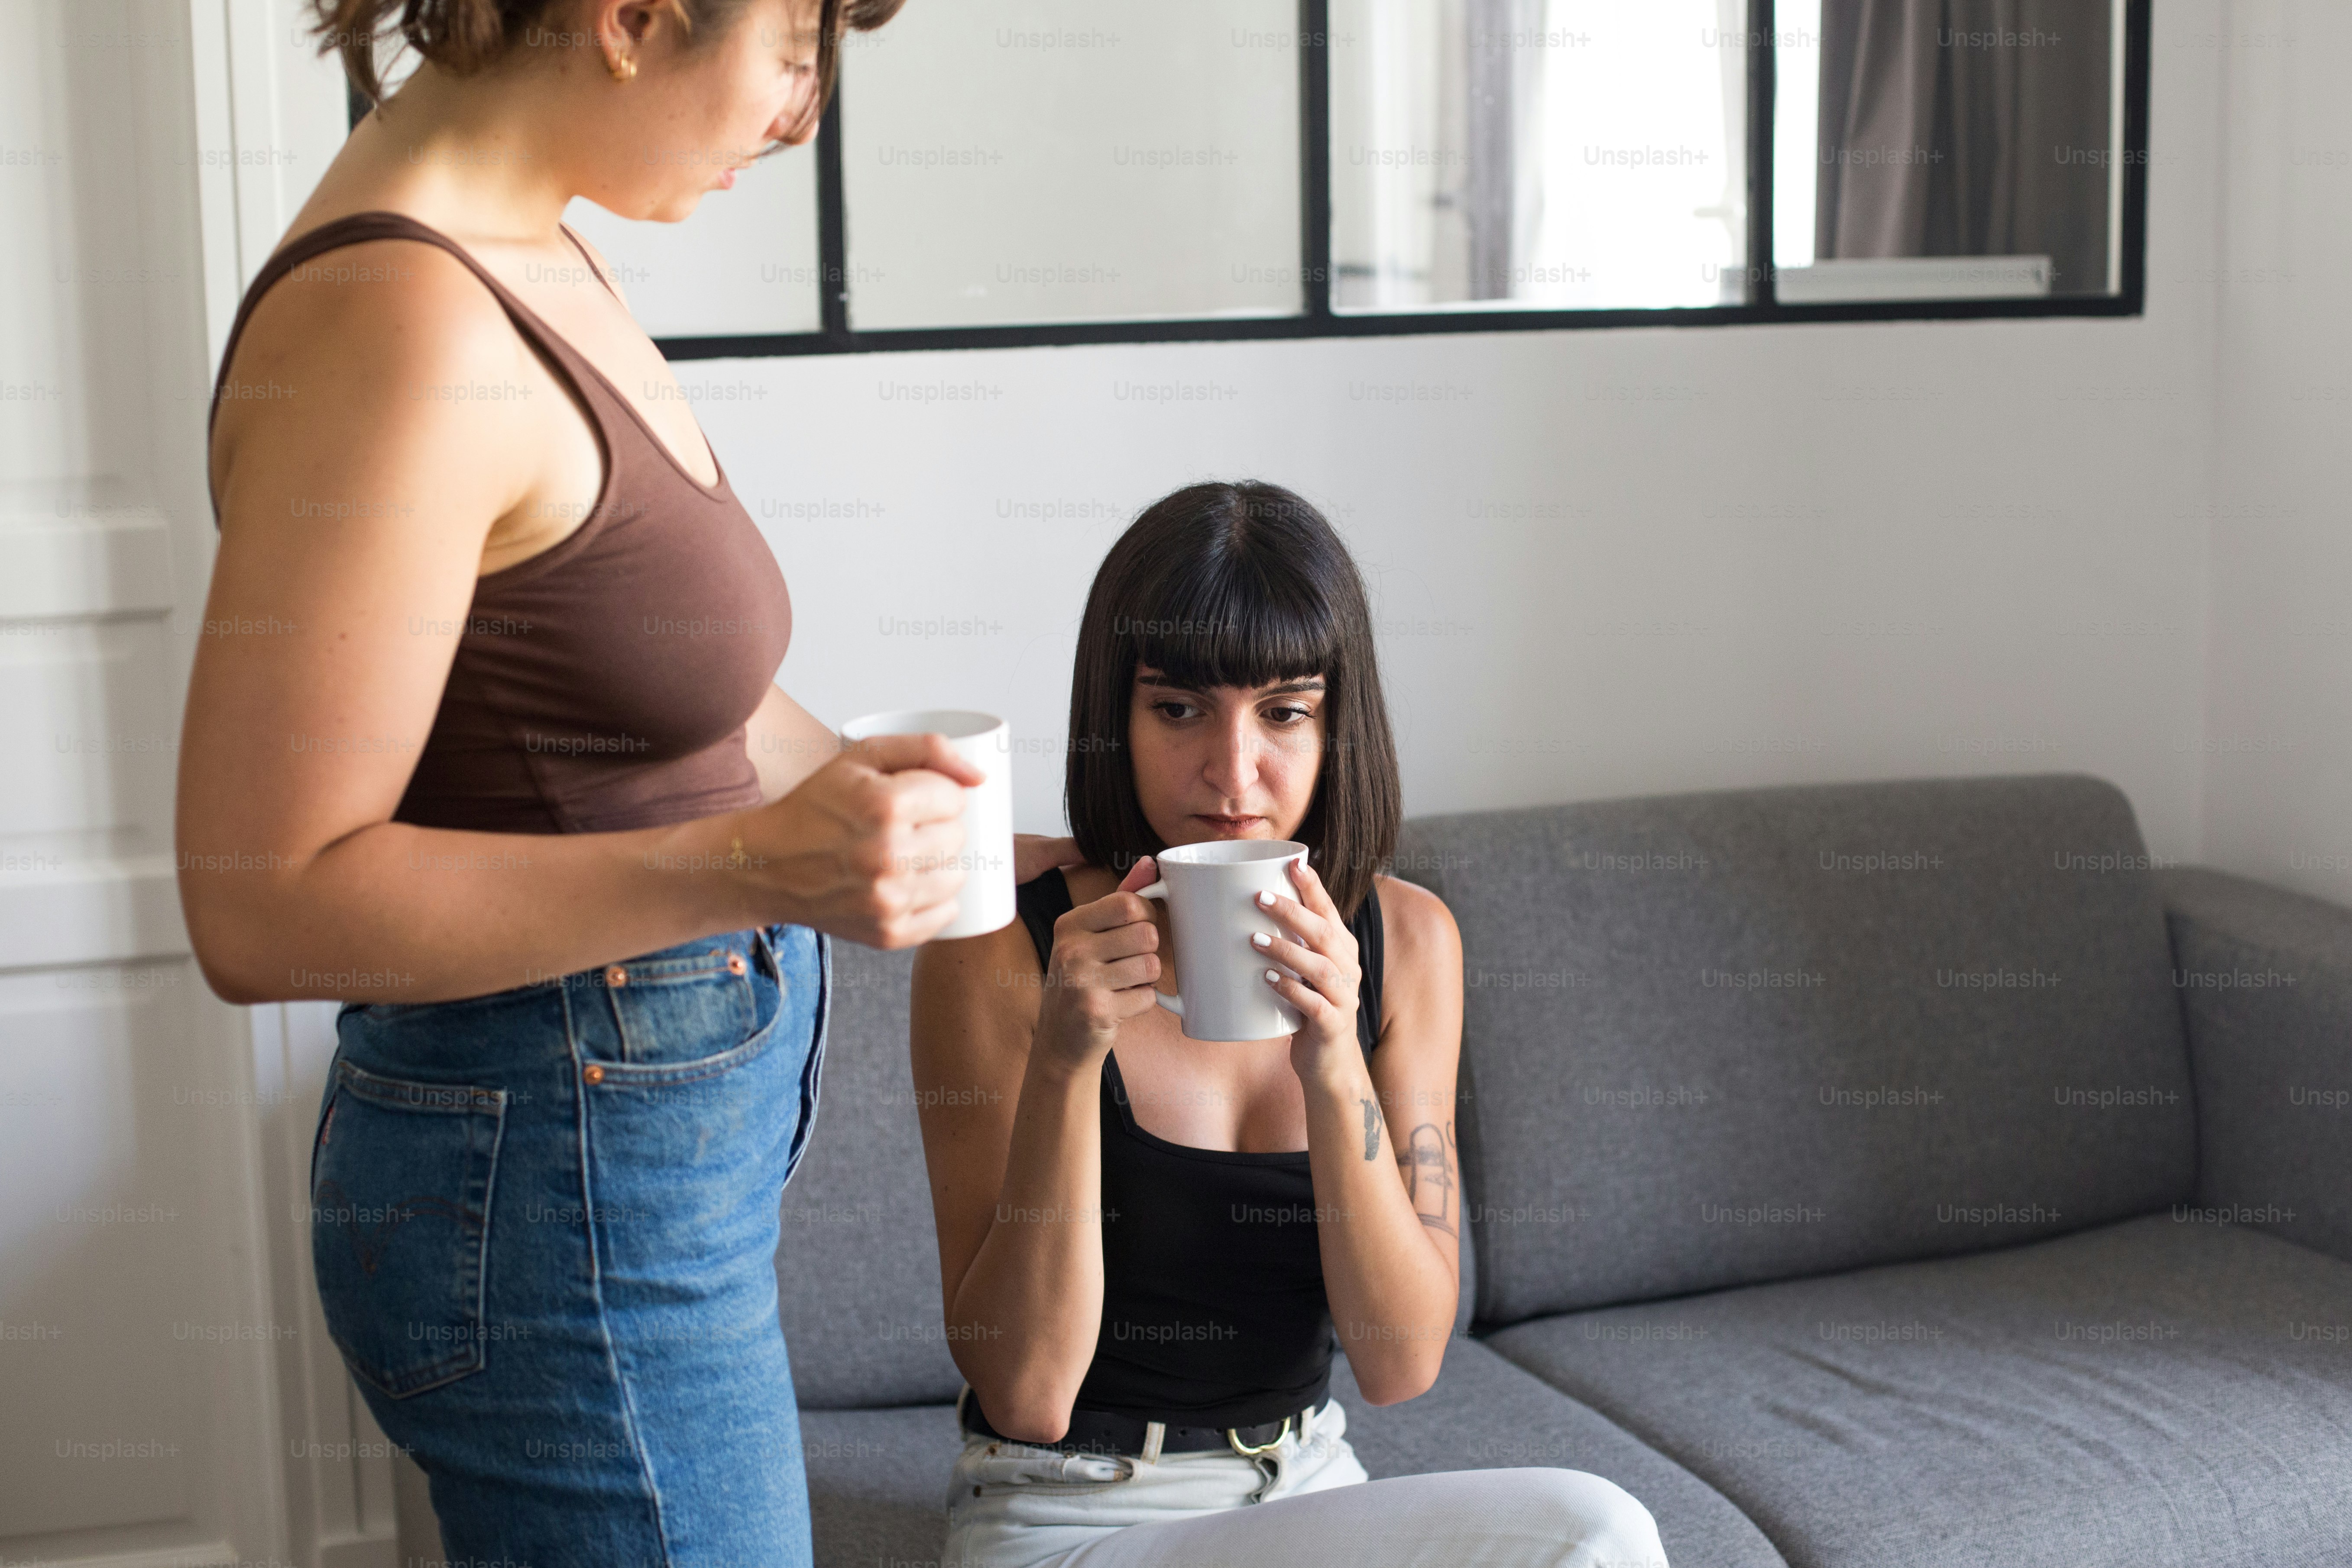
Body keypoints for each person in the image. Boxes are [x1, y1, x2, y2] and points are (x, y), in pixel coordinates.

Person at [176, 1, 1076, 1559]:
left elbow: (652, 705)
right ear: (636, 18)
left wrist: (957, 827)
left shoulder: (528, 251)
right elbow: (264, 901)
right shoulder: (407, 321)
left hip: (617, 1194)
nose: (805, 112)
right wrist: (744, 871)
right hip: (559, 1215)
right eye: (798, 43)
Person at [908, 482, 1669, 1567]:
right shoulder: (1001, 951)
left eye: (1284, 711)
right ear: (1113, 718)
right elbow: (1027, 1392)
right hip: (1066, 1513)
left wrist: (1333, 1060)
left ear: (1336, 722)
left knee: (1598, 1531)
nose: (1233, 770)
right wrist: (1068, 1060)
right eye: (1178, 708)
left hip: (1306, 1487)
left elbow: (1401, 1362)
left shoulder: (1408, 942)